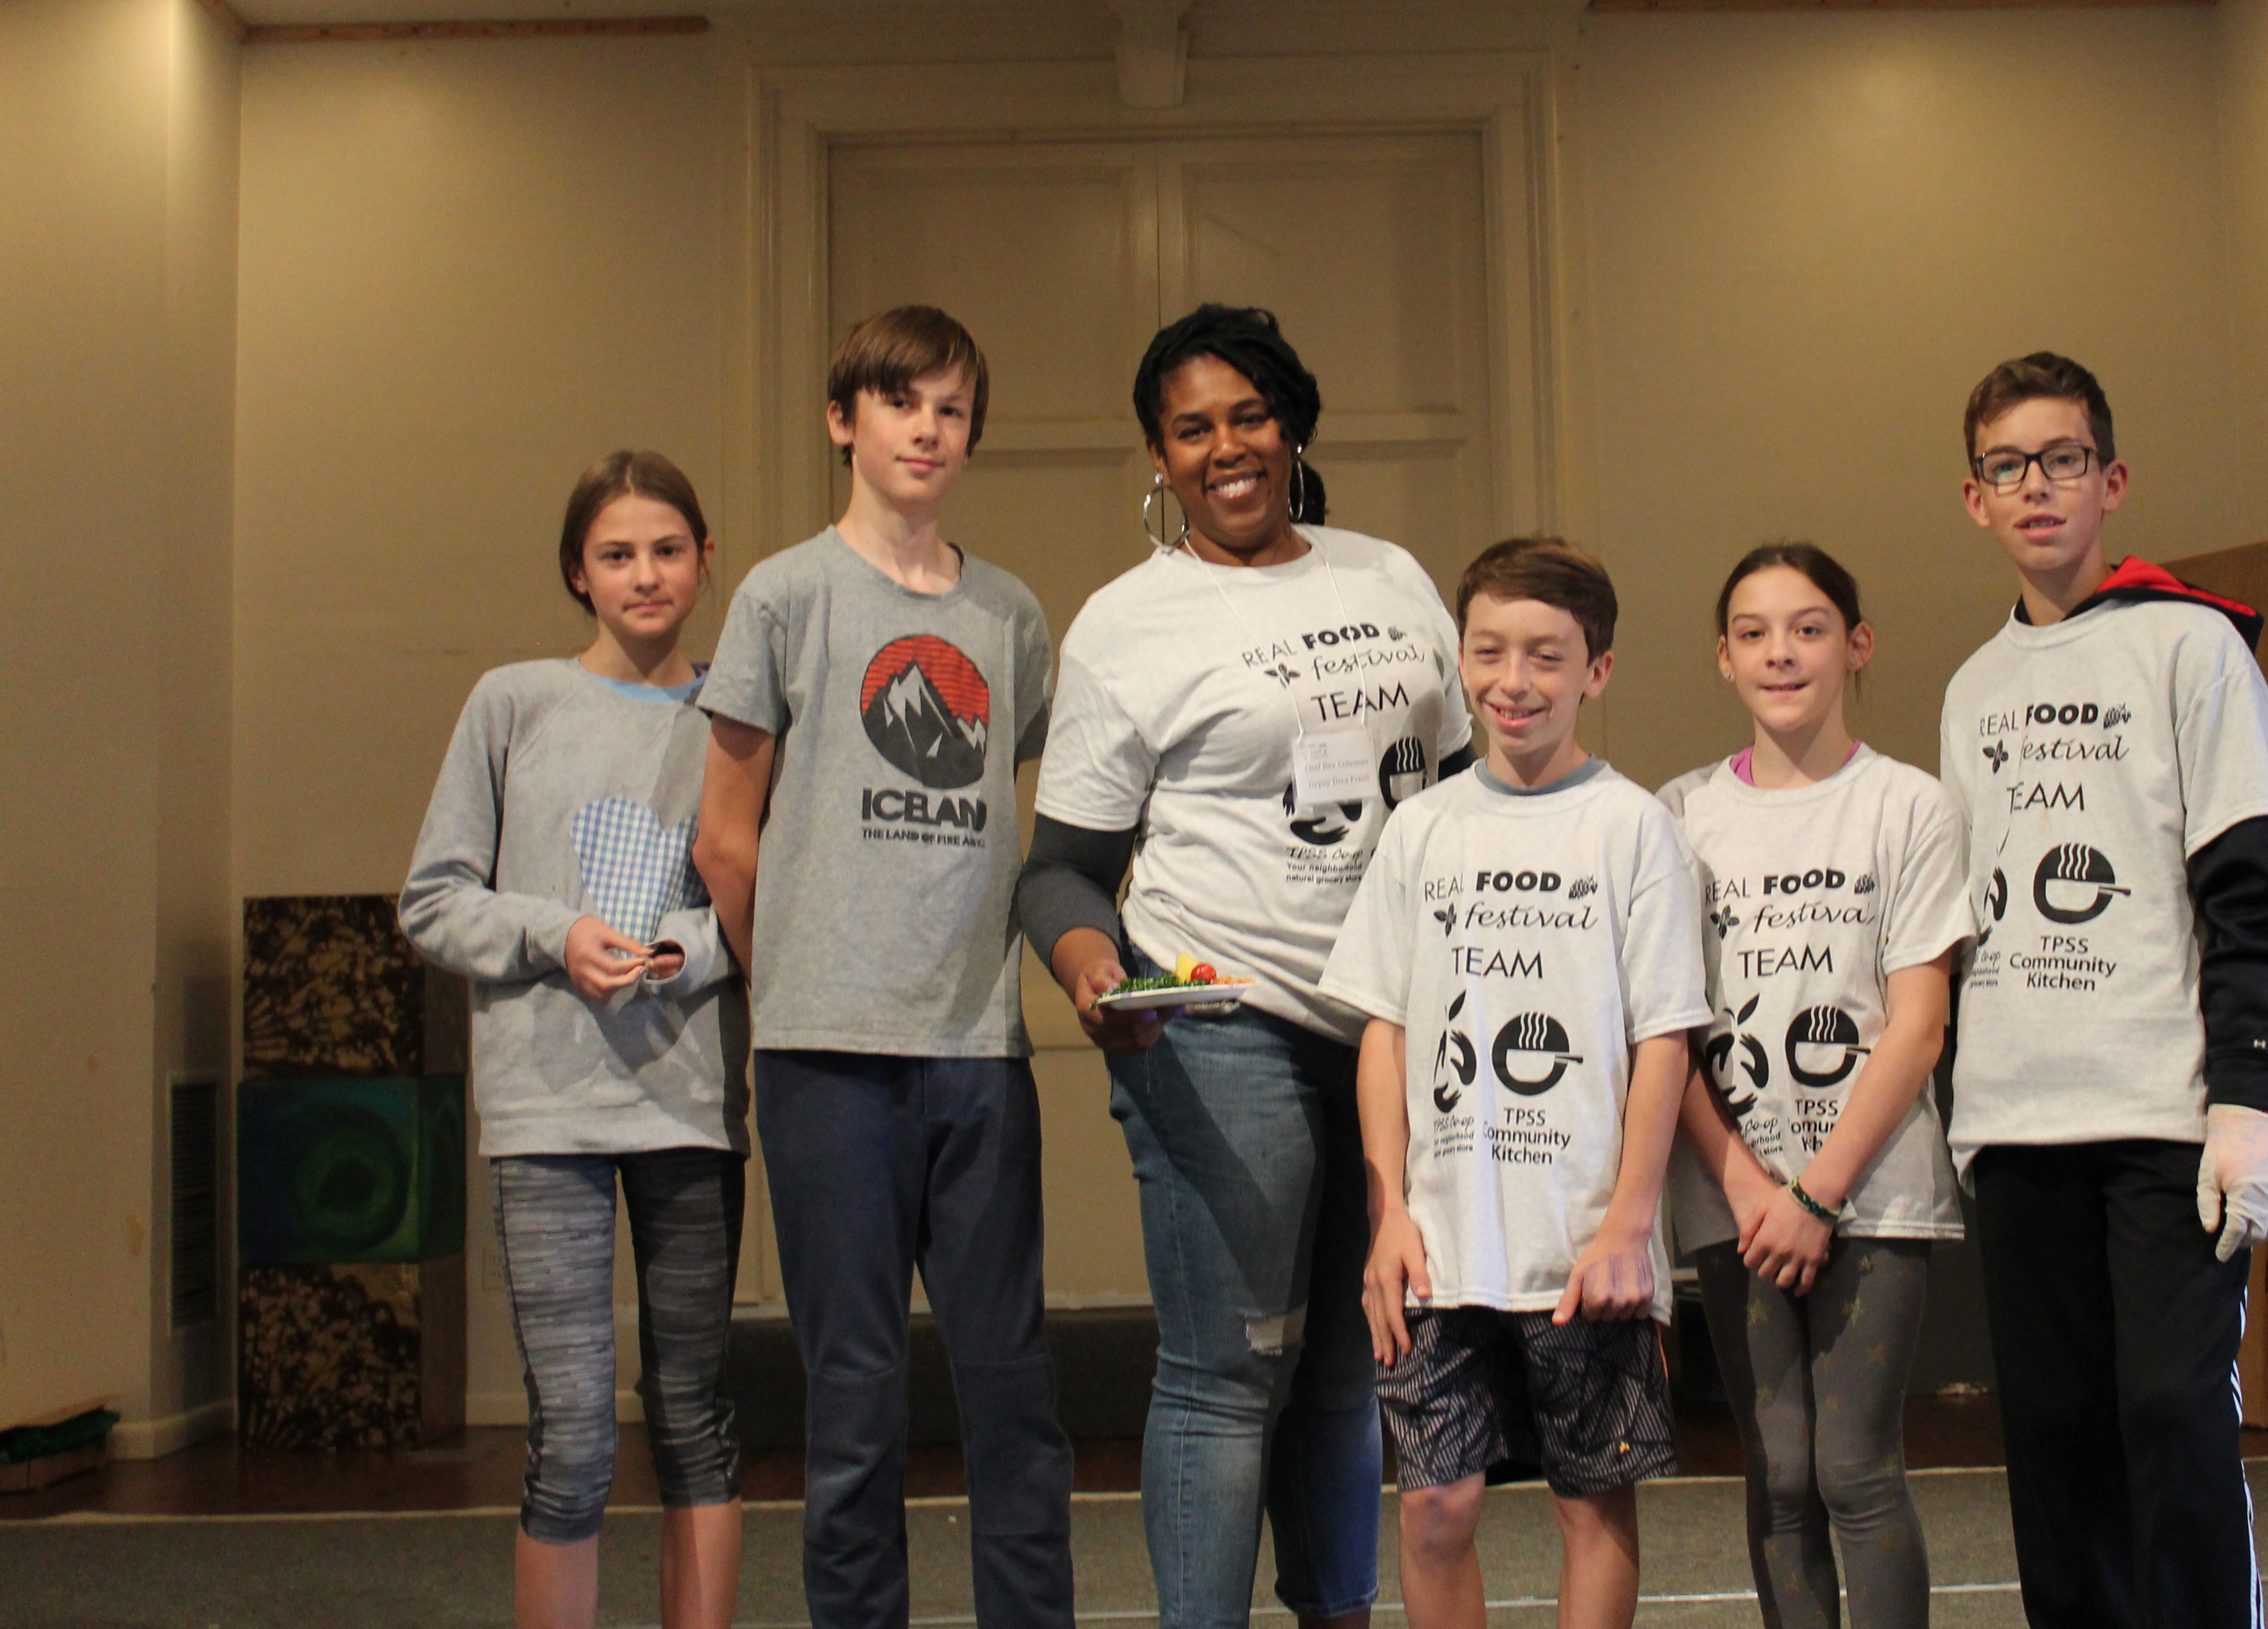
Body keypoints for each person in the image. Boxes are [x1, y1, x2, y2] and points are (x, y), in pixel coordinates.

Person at [1016, 303, 1472, 1629]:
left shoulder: (1392, 576)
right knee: (1228, 1370)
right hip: (1219, 1025)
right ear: (1160, 459)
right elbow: (1058, 872)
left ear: (1292, 425)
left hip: (1386, 1026)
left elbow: (1459, 800)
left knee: (1345, 1367)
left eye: (1250, 414)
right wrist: (1092, 973)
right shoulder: (1126, 623)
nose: (1227, 446)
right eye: (1192, 428)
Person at [692, 306, 1071, 1629]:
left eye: (952, 409)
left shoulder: (1009, 613)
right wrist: (797, 981)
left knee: (1013, 1393)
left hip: (980, 1057)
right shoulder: (784, 595)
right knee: (853, 1402)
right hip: (826, 1064)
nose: (927, 429)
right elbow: (724, 836)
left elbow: (1035, 808)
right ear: (842, 419)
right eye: (902, 401)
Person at [1939, 352, 2268, 1629]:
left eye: (2062, 459)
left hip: (2167, 1113)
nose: (2036, 486)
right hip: (2020, 1122)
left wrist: (2254, 1093)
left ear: (2110, 480)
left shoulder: (2191, 646)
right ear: (1975, 497)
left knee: (2170, 1409)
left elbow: (2255, 887)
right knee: (2054, 1439)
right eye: (2008, 466)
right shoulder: (1972, 689)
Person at [1320, 536, 1705, 1629]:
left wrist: (1629, 1224)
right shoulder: (1423, 829)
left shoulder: (1634, 828)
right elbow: (1386, 1028)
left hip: (1582, 1246)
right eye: (1488, 651)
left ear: (1598, 670)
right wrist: (1389, 1214)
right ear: (1461, 661)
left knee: (1593, 1504)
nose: (1514, 680)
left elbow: (1664, 1040)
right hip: (1442, 1251)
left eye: (1546, 655)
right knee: (1435, 1507)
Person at [400, 451, 747, 1629]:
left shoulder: (740, 717)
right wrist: (558, 934)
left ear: (705, 560)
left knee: (694, 1418)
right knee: (576, 1430)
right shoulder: (514, 703)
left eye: (667, 549)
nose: (645, 575)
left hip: (689, 1108)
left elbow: (770, 898)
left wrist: (685, 951)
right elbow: (434, 897)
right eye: (617, 554)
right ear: (576, 573)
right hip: (546, 1116)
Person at [1660, 543, 1971, 1629]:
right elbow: (1667, 1028)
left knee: (1853, 1466)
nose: (1780, 653)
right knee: (1780, 1472)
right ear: (1724, 658)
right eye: (1753, 633)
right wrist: (1752, 1187)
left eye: (1807, 628)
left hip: (1870, 1190)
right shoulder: (1679, 813)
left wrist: (1818, 1191)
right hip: (1734, 1198)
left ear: (1856, 645)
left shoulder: (1910, 806)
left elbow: (1919, 1025)